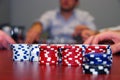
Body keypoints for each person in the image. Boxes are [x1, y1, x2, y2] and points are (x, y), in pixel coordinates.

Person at [25, 0, 96, 44]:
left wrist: (86, 31)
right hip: (53, 52)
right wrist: (36, 28)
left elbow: (95, 33)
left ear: (76, 2)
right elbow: (41, 22)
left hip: (77, 53)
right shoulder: (50, 15)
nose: (66, 0)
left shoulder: (85, 16)